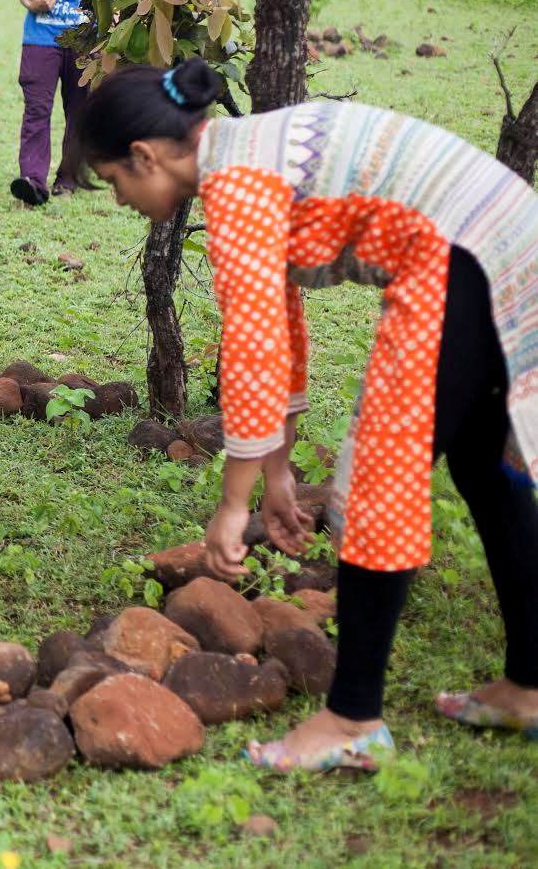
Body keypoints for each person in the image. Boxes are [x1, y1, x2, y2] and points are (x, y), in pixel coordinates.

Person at [78, 58, 538, 773]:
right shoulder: (241, 155)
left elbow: (254, 348)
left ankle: (351, 717)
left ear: (145, 155)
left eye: (113, 182)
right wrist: (277, 469)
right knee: (483, 466)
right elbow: (281, 320)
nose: (119, 200)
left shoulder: (234, 182)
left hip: (459, 255)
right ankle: (530, 685)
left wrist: (233, 507)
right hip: (500, 235)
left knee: (377, 480)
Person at [10, 0, 90, 207]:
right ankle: (34, 180)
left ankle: (68, 179)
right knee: (37, 110)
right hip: (41, 39)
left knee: (80, 111)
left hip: (84, 38)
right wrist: (36, 1)